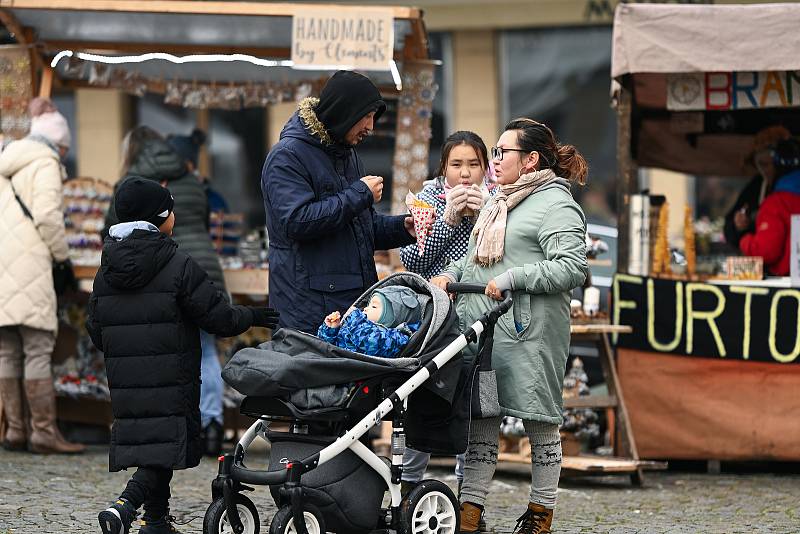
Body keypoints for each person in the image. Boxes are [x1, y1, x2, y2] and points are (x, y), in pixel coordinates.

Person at [88, 177, 279, 534]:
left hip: (127, 382)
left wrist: (125, 350)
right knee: (163, 448)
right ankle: (124, 506)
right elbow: (217, 317)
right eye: (171, 209)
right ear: (160, 218)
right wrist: (252, 316)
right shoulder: (176, 263)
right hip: (172, 375)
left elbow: (95, 329)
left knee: (154, 447)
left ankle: (156, 521)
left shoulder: (106, 270)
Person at [432, 118, 589, 534]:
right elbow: (475, 261)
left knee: (540, 423)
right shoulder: (499, 200)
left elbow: (572, 266)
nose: (495, 161)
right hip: (484, 332)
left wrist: (514, 278)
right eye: (496, 153)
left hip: (530, 334)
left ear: (531, 159)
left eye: (503, 153)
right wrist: (446, 276)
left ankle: (540, 517)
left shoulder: (556, 202)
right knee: (482, 424)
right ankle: (470, 516)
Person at [106, 125, 231, 456]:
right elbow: (203, 219)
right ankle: (213, 427)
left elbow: (114, 227)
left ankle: (170, 430)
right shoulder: (188, 175)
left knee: (159, 354)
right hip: (205, 265)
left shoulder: (133, 182)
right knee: (206, 352)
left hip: (161, 273)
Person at [262, 70, 417, 334]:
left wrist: (404, 228)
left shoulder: (348, 155)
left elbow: (360, 228)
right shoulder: (287, 156)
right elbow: (296, 221)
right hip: (308, 313)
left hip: (350, 306)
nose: (371, 127)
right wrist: (360, 193)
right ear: (345, 112)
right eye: (366, 116)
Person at [398, 130, 492, 505]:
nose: (465, 174)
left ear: (486, 168)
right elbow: (413, 260)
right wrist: (448, 221)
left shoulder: (497, 200)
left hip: (479, 315)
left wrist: (485, 213)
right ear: (443, 169)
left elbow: (495, 257)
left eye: (474, 165)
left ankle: (466, 497)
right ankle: (406, 489)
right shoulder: (426, 200)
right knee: (420, 393)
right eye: (457, 165)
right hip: (431, 315)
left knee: (467, 401)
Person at [0, 102, 85, 454]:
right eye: (65, 148)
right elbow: (49, 217)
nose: (65, 154)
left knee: (7, 350)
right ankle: (43, 432)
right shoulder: (45, 163)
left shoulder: (8, 160)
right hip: (32, 266)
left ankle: (15, 430)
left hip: (3, 267)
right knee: (37, 348)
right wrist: (62, 259)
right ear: (58, 144)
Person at [724, 126, 792, 250]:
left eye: (773, 163)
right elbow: (729, 227)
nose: (768, 170)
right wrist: (737, 226)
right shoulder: (757, 186)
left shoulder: (792, 187)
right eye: (761, 164)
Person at [740, 137, 800, 276]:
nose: (764, 171)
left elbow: (766, 252)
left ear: (777, 167)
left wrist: (745, 240)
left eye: (766, 165)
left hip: (790, 287)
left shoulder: (777, 203)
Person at [318, 285, 422, 358]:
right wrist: (331, 330)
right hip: (334, 363)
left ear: (391, 318)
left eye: (374, 306)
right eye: (367, 305)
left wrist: (355, 319)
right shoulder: (359, 325)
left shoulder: (397, 338)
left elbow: (370, 342)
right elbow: (330, 348)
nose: (365, 309)